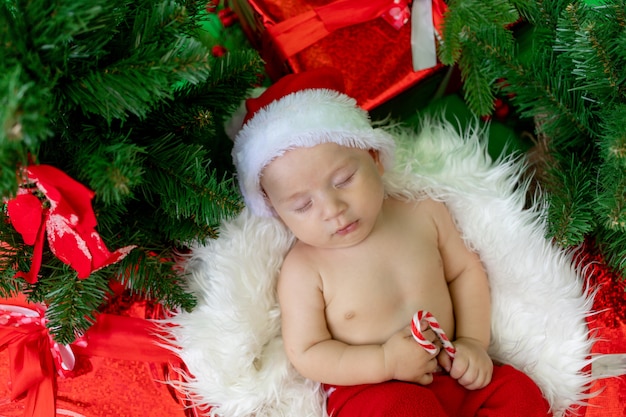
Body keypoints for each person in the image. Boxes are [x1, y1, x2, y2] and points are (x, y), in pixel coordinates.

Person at [230, 67, 552, 417]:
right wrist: (384, 361)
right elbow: (308, 351)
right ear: (277, 213)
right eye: (303, 205)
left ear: (375, 157)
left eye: (344, 179)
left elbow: (465, 271)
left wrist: (473, 342)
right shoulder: (304, 268)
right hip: (375, 391)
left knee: (519, 393)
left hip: (451, 371)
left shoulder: (423, 211)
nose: (333, 210)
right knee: (404, 408)